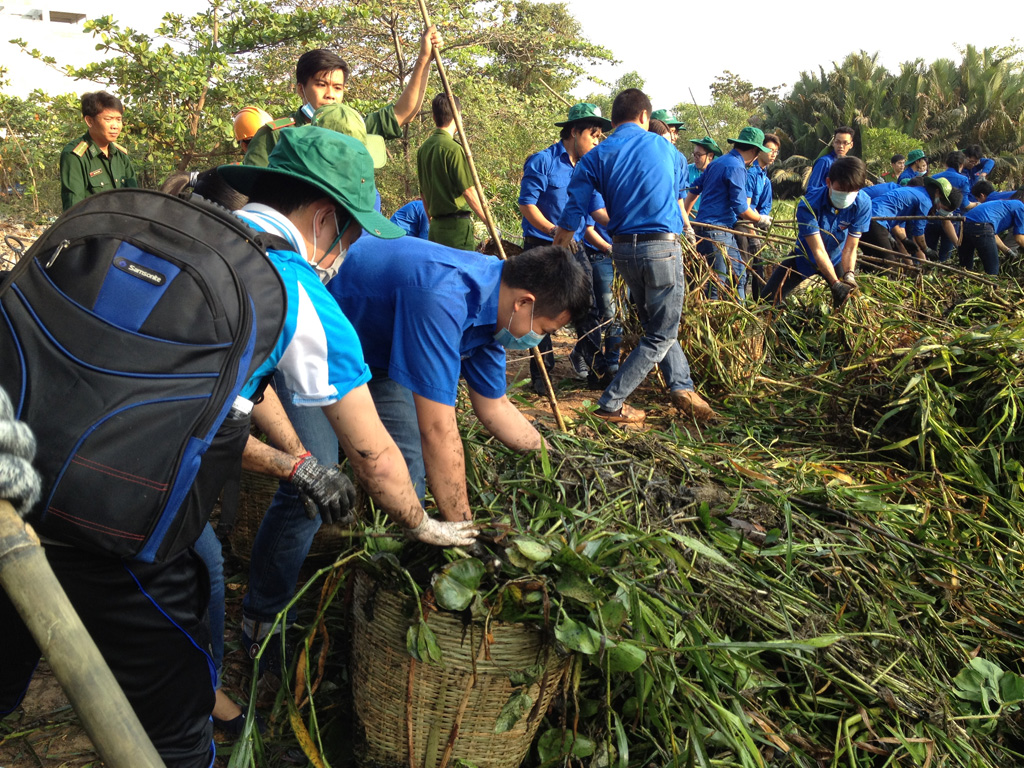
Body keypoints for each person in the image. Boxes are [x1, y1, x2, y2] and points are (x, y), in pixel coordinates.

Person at [218, 128, 478, 673]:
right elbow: (374, 457)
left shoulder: (203, 231)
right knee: (186, 590)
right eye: (355, 233)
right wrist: (423, 524)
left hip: (55, 440)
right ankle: (246, 657)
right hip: (138, 496)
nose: (350, 251)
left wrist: (298, 459)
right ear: (324, 219)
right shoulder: (298, 291)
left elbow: (239, 390)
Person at [330, 239, 590, 520]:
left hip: (379, 356)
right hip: (317, 342)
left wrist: (557, 461)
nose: (538, 339)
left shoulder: (494, 313)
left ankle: (387, 539)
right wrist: (463, 526)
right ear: (524, 302)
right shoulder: (444, 297)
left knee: (406, 470)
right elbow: (437, 428)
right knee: (319, 482)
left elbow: (496, 408)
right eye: (543, 329)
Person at [553, 88, 713, 424]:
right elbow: (677, 199)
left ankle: (682, 387)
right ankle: (612, 402)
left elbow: (571, 216)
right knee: (663, 332)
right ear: (645, 117)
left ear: (612, 121)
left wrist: (554, 256)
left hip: (623, 251)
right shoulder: (668, 151)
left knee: (658, 325)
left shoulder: (595, 157)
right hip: (661, 248)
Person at [517, 102, 611, 392]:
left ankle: (596, 370)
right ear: (574, 131)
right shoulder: (542, 161)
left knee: (589, 306)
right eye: (593, 134)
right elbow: (527, 204)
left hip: (575, 246)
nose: (597, 141)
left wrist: (627, 224)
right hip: (541, 244)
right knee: (540, 307)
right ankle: (542, 376)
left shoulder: (589, 168)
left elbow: (598, 212)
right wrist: (551, 229)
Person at [243, 28, 440, 167]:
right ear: (301, 89)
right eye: (321, 85)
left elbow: (404, 112)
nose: (330, 95)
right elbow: (248, 193)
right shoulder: (275, 135)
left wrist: (424, 59)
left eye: (338, 88)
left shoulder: (353, 130)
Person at [761, 157, 871, 307]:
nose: (846, 195)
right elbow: (818, 250)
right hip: (805, 257)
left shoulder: (862, 203)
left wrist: (849, 275)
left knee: (849, 303)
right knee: (767, 300)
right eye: (841, 189)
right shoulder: (809, 204)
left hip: (836, 258)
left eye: (852, 190)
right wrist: (835, 283)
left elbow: (851, 247)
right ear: (828, 182)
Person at [685, 126, 773, 301]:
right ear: (755, 151)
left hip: (707, 229)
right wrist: (760, 219)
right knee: (717, 283)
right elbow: (741, 207)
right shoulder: (737, 167)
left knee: (738, 276)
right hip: (717, 232)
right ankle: (715, 322)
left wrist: (685, 219)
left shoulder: (718, 162)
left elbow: (694, 189)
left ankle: (737, 316)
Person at [417, 93, 486, 250]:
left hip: (435, 229)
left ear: (434, 117)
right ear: (458, 116)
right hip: (457, 229)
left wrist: (432, 222)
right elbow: (468, 191)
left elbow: (423, 194)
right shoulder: (453, 149)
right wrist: (488, 222)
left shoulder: (423, 149)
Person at [59, 91, 138, 211]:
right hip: (92, 227)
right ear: (90, 121)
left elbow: (134, 200)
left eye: (118, 119)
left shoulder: (121, 156)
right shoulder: (75, 156)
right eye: (108, 119)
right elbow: (73, 208)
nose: (115, 126)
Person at [860, 176, 962, 265]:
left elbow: (897, 224)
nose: (941, 207)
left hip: (867, 218)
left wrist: (905, 240)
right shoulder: (925, 201)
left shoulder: (915, 193)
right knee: (889, 262)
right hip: (875, 220)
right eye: (943, 201)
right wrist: (926, 249)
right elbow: (918, 233)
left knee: (872, 258)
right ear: (937, 192)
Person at [736, 133, 779, 301]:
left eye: (776, 151)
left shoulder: (764, 178)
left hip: (753, 223)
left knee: (758, 266)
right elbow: (745, 209)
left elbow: (764, 208)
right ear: (759, 150)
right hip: (743, 224)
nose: (773, 153)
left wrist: (762, 222)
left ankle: (757, 303)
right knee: (746, 267)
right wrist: (754, 233)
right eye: (770, 149)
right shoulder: (751, 174)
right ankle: (741, 303)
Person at [925, 151, 973, 262]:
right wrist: (977, 204)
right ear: (961, 165)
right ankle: (943, 272)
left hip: (932, 217)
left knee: (929, 250)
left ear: (946, 164)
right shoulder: (963, 179)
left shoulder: (935, 177)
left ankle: (928, 271)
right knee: (946, 254)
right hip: (952, 218)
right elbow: (964, 204)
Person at [959, 194, 1024, 275]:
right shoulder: (1021, 207)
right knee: (992, 270)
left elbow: (992, 233)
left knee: (965, 268)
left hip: (963, 224)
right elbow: (1019, 238)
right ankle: (991, 285)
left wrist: (1007, 251)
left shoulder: (1006, 205)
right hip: (981, 227)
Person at [686, 136, 722, 218]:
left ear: (710, 156)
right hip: (687, 224)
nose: (695, 158)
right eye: (694, 154)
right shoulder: (686, 170)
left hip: (707, 223)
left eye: (699, 155)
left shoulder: (718, 174)